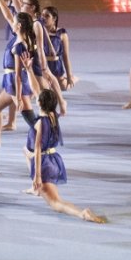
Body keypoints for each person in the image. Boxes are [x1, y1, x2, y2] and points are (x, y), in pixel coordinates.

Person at [29, 89, 106, 223]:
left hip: (44, 163)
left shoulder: (41, 122)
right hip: (54, 160)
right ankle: (81, 213)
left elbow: (37, 148)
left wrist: (37, 176)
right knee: (57, 200)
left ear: (39, 102)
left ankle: (82, 214)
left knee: (55, 203)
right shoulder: (54, 116)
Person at [0, 0, 41, 146]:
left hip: (14, 80)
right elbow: (7, 15)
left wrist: (18, 97)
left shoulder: (20, 43)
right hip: (11, 81)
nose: (11, 21)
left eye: (14, 21)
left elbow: (19, 75)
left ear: (19, 26)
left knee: (30, 117)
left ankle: (45, 138)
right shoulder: (21, 34)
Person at [41, 6, 78, 91]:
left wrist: (69, 75)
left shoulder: (62, 34)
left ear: (54, 18)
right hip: (42, 66)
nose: (43, 18)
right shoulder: (39, 32)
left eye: (47, 16)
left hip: (55, 67)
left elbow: (65, 56)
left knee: (63, 87)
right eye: (42, 15)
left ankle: (73, 78)